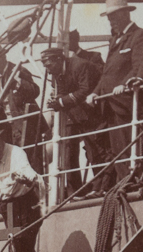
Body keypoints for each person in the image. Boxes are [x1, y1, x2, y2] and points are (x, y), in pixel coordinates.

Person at [88, 0, 143, 187]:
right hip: (110, 104)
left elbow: (140, 67)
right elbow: (106, 73)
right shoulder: (114, 40)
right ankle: (123, 181)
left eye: (115, 16)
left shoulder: (140, 36)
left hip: (127, 103)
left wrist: (125, 84)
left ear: (126, 14)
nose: (111, 21)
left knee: (130, 144)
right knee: (118, 148)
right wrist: (95, 92)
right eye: (109, 18)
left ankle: (132, 181)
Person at [39, 42, 104, 196]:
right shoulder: (57, 72)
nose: (48, 70)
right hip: (72, 115)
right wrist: (57, 99)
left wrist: (60, 102)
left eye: (49, 65)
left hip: (90, 114)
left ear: (58, 60)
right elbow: (62, 91)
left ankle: (100, 187)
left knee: (94, 150)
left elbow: (85, 90)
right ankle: (75, 192)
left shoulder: (80, 66)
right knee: (67, 151)